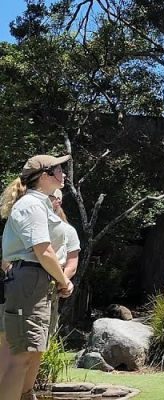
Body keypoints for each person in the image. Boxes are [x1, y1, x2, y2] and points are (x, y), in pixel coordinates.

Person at [0, 155, 75, 400]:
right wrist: (64, 281)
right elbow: (43, 251)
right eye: (59, 170)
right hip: (29, 280)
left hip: (37, 281)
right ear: (44, 176)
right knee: (20, 356)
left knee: (31, 353)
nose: (63, 174)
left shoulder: (40, 204)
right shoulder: (32, 205)